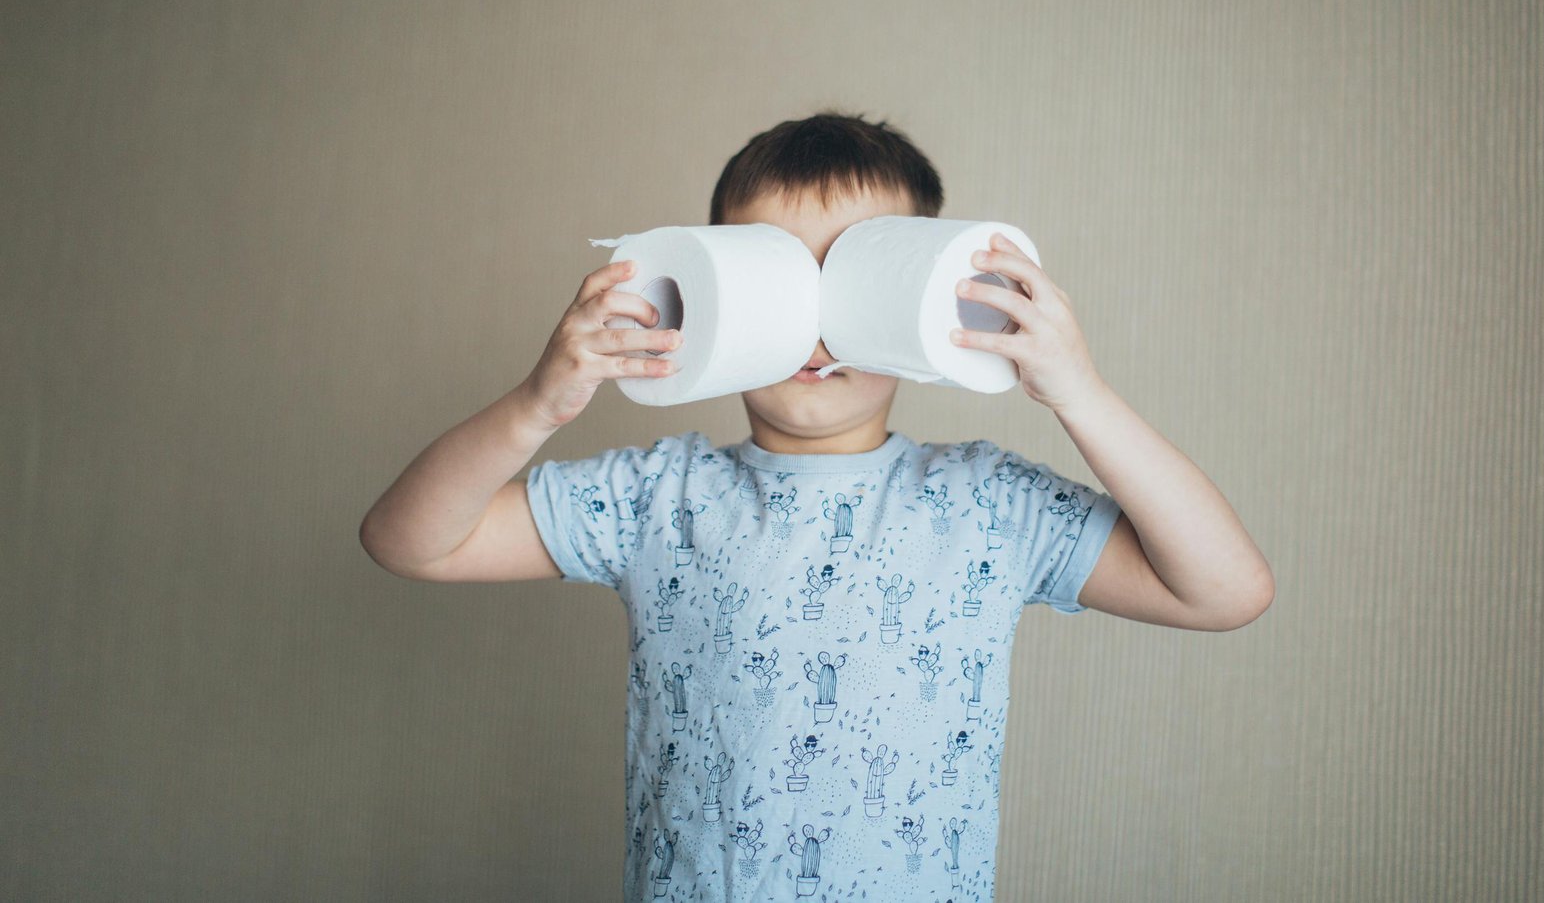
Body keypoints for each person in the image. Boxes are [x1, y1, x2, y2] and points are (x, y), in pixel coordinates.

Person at [358, 111, 1274, 901]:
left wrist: (1081, 393)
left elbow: (1225, 590)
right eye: (779, 277)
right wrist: (535, 406)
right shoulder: (655, 498)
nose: (816, 324)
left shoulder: (988, 506)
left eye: (856, 276)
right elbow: (410, 542)